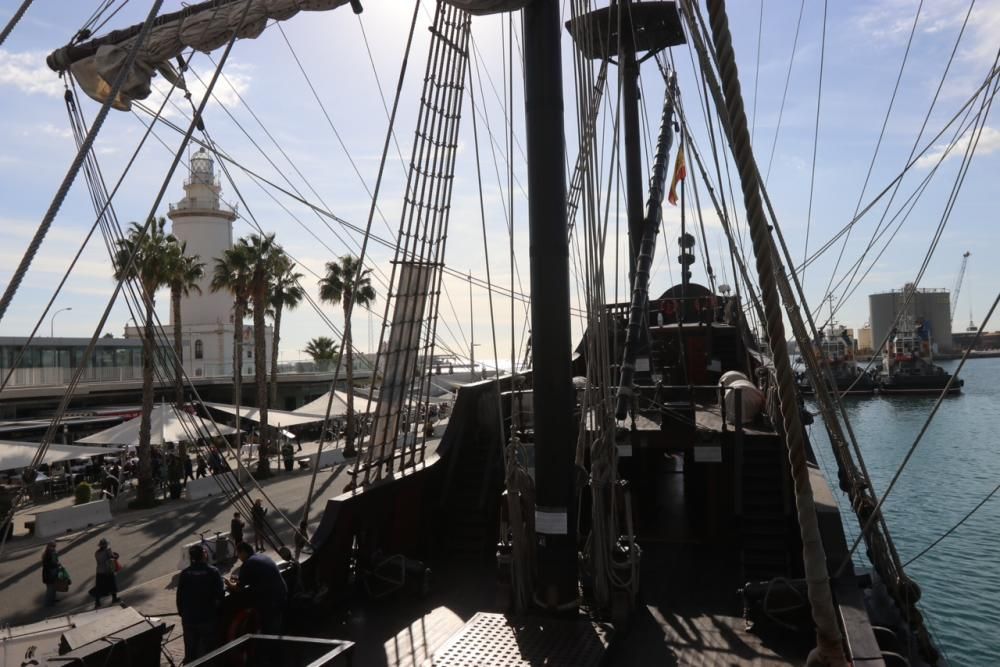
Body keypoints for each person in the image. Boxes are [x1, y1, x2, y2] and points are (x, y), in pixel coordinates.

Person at [176, 544, 225, 663]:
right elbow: (220, 595)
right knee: (209, 651)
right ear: (204, 555)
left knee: (190, 649)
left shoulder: (185, 574)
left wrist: (183, 613)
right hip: (206, 618)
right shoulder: (213, 572)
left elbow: (179, 597)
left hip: (189, 619)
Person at [228, 542, 287, 635]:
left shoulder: (248, 563)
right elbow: (255, 576)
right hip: (281, 592)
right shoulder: (262, 556)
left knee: (270, 626)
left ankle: (271, 646)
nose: (239, 558)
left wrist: (228, 583)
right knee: (277, 622)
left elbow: (238, 588)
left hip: (270, 599)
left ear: (243, 552)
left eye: (238, 554)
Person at [92, 538, 119, 608]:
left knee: (99, 587)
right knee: (112, 585)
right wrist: (116, 556)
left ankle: (97, 602)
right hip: (108, 570)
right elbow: (112, 558)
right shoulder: (108, 550)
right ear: (106, 545)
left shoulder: (96, 553)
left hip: (99, 571)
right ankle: (114, 599)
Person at [41, 542, 60, 606]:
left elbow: (56, 561)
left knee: (54, 587)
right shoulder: (47, 554)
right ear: (49, 547)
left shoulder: (52, 553)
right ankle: (48, 602)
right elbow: (49, 565)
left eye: (54, 546)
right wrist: (56, 564)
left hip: (52, 572)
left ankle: (53, 599)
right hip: (49, 573)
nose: (54, 548)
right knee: (50, 588)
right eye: (53, 546)